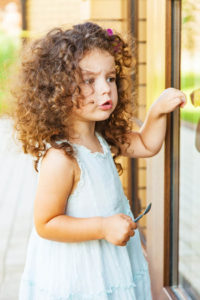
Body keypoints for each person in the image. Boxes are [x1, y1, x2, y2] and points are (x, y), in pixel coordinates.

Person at [13, 22, 186, 299]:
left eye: (111, 78)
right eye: (90, 81)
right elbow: (46, 223)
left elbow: (145, 144)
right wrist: (103, 226)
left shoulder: (102, 136)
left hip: (108, 260)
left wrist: (157, 111)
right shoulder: (62, 157)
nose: (105, 89)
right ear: (58, 90)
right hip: (79, 273)